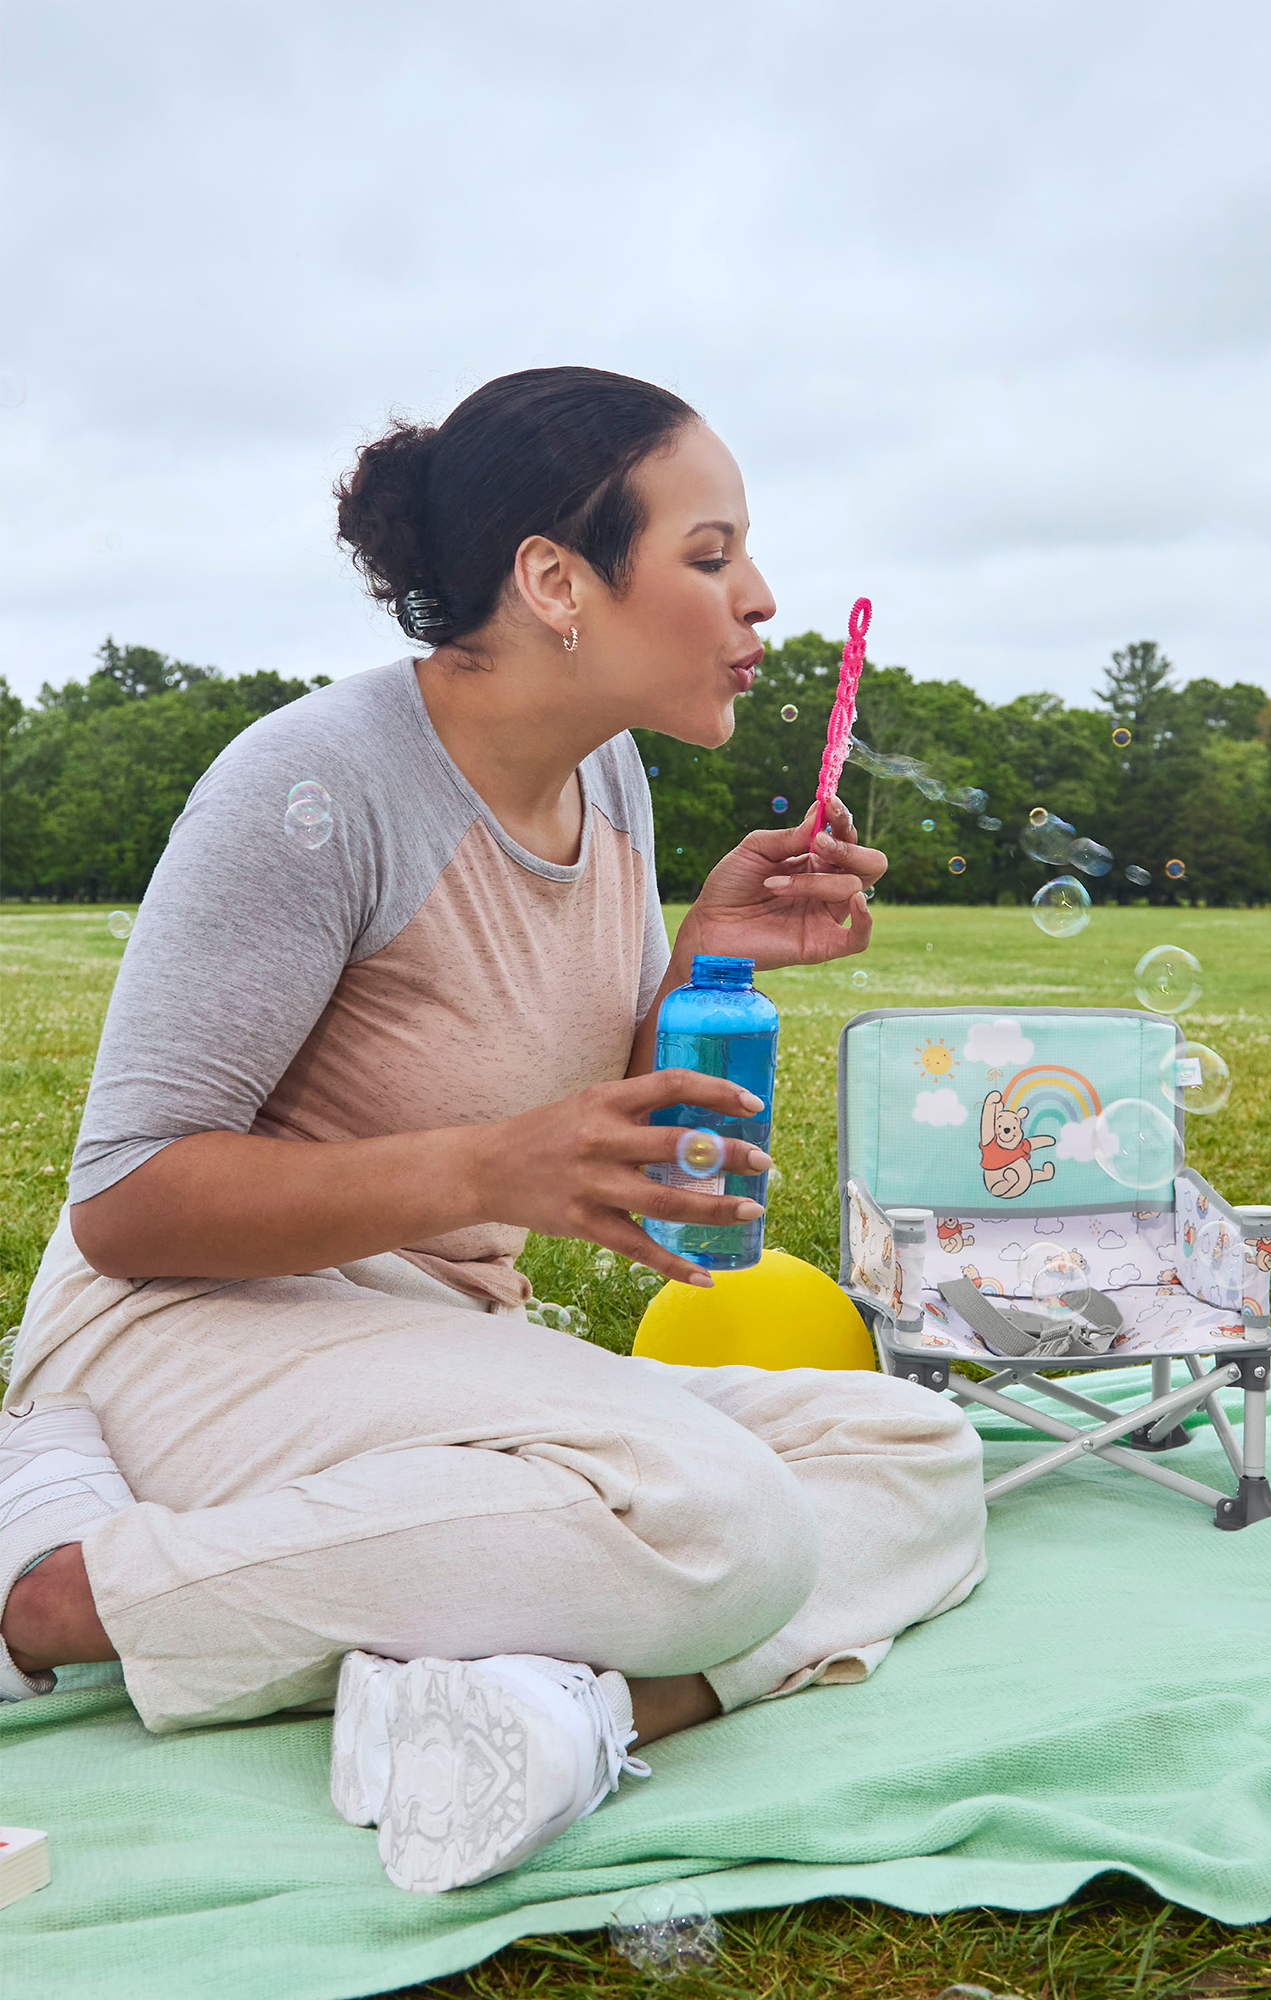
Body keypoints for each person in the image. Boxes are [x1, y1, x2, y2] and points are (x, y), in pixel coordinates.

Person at [0, 366, 988, 1892]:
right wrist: (483, 1169)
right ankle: (65, 1589)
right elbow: (128, 1205)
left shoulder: (610, 780)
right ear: (555, 581)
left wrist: (703, 964)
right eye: (711, 554)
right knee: (721, 1515)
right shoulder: (318, 782)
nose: (761, 598)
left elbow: (600, 1138)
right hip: (184, 1334)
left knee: (912, 1446)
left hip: (426, 1351)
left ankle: (564, 1711)